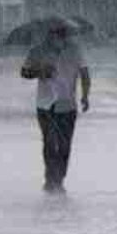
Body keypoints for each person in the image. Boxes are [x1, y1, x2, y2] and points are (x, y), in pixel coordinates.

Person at [20, 21, 90, 194]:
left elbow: (85, 73)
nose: (58, 37)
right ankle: (50, 178)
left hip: (67, 105)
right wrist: (39, 71)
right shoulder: (37, 51)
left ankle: (59, 178)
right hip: (45, 105)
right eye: (53, 33)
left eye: (61, 33)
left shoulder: (75, 51)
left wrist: (85, 96)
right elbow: (24, 72)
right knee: (50, 143)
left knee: (65, 145)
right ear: (47, 34)